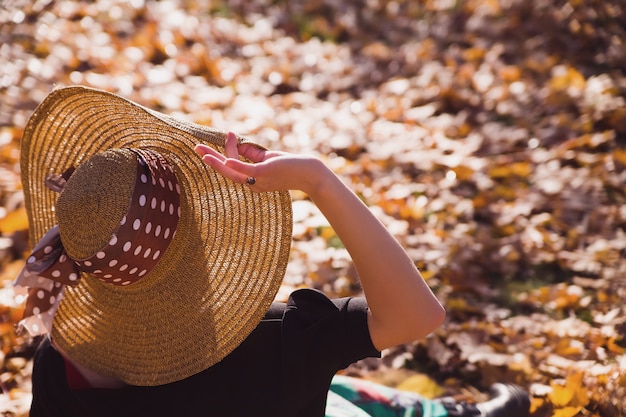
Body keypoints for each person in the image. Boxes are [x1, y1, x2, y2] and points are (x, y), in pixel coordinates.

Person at [14, 86, 530, 417]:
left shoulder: (60, 365)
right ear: (200, 231)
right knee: (340, 398)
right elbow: (417, 315)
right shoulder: (276, 345)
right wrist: (319, 180)